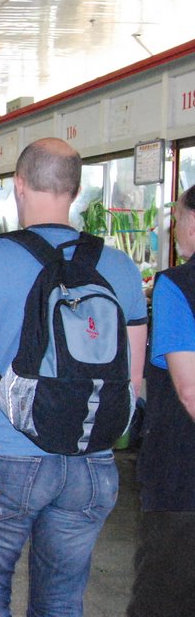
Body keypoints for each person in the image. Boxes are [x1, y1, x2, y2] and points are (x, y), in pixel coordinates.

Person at [0, 138, 147, 617]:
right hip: (91, 462)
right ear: (75, 191)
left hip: (5, 454)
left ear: (18, 185)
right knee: (61, 596)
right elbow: (133, 381)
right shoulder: (120, 267)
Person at [128, 185, 195, 617]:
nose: (174, 228)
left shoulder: (177, 286)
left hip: (182, 473)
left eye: (179, 217)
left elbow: (188, 389)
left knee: (166, 592)